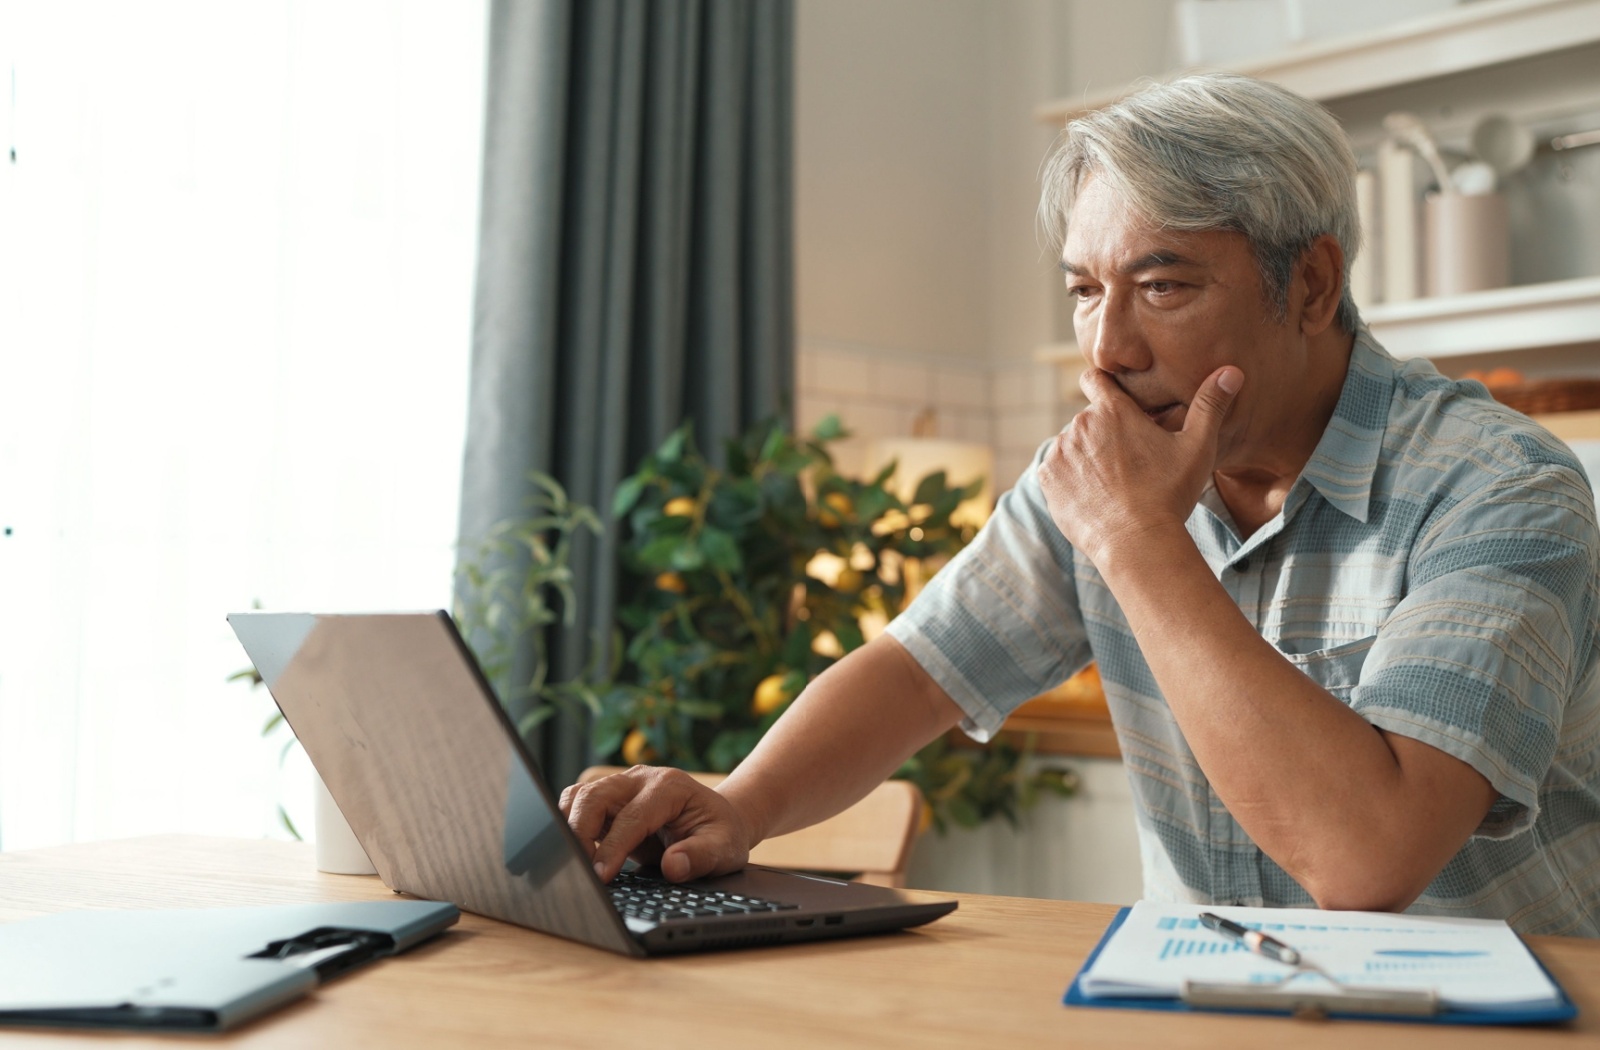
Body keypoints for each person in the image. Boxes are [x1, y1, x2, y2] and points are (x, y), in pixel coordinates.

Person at [562, 73, 1600, 936]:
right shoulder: (1113, 471)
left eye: (1162, 287)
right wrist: (741, 802)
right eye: (1083, 290)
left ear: (1313, 285)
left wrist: (1137, 541)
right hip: (1208, 1003)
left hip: (1514, 1019)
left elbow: (1365, 858)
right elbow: (920, 672)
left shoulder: (1502, 490)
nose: (1107, 349)